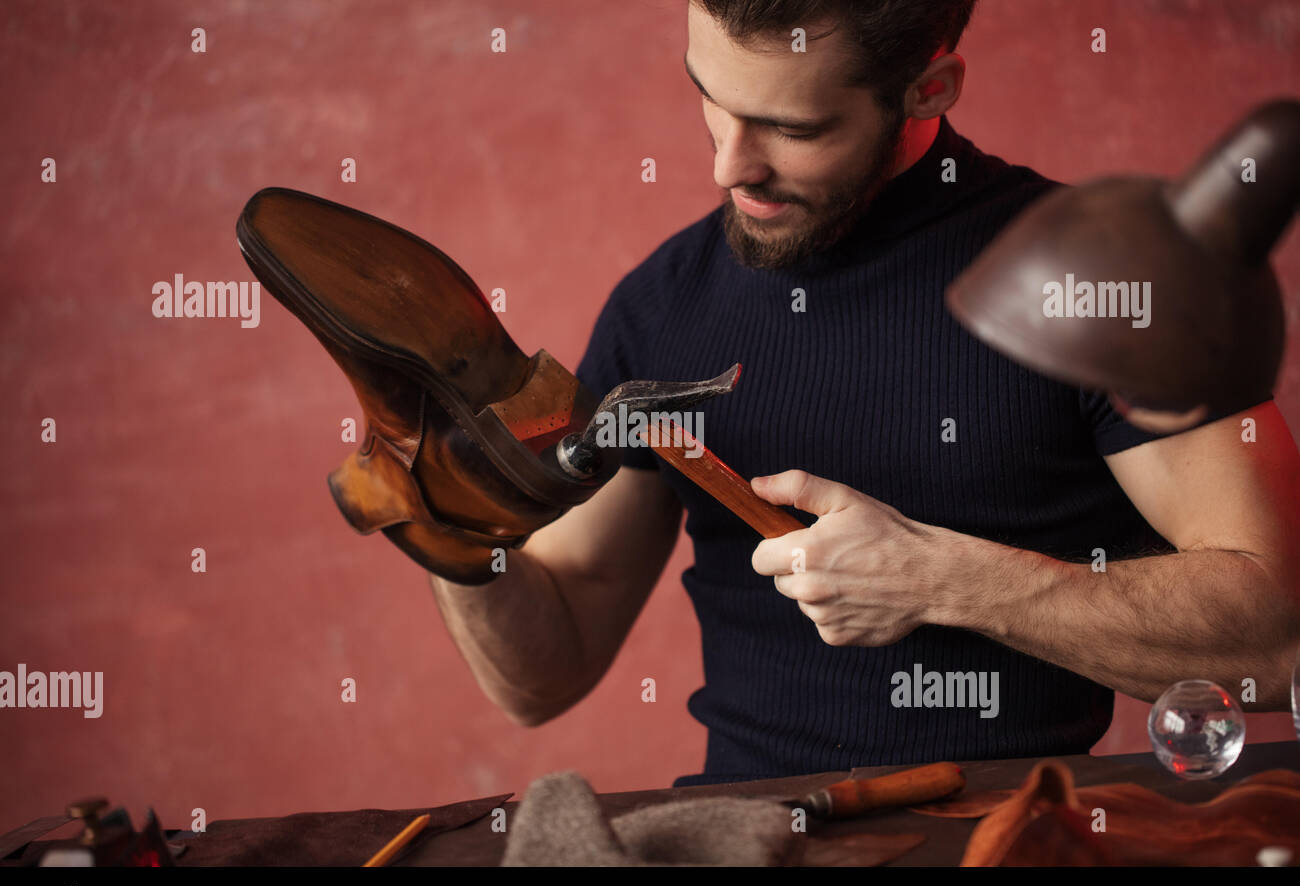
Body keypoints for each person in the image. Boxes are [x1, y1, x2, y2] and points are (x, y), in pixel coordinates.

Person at [429, 0, 1300, 786]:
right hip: (741, 834)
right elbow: (544, 673)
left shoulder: (1097, 281)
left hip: (1002, 837)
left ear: (928, 90)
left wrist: (946, 582)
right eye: (711, 98)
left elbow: (1280, 637)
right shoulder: (664, 304)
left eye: (791, 128)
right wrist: (446, 522)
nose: (730, 166)